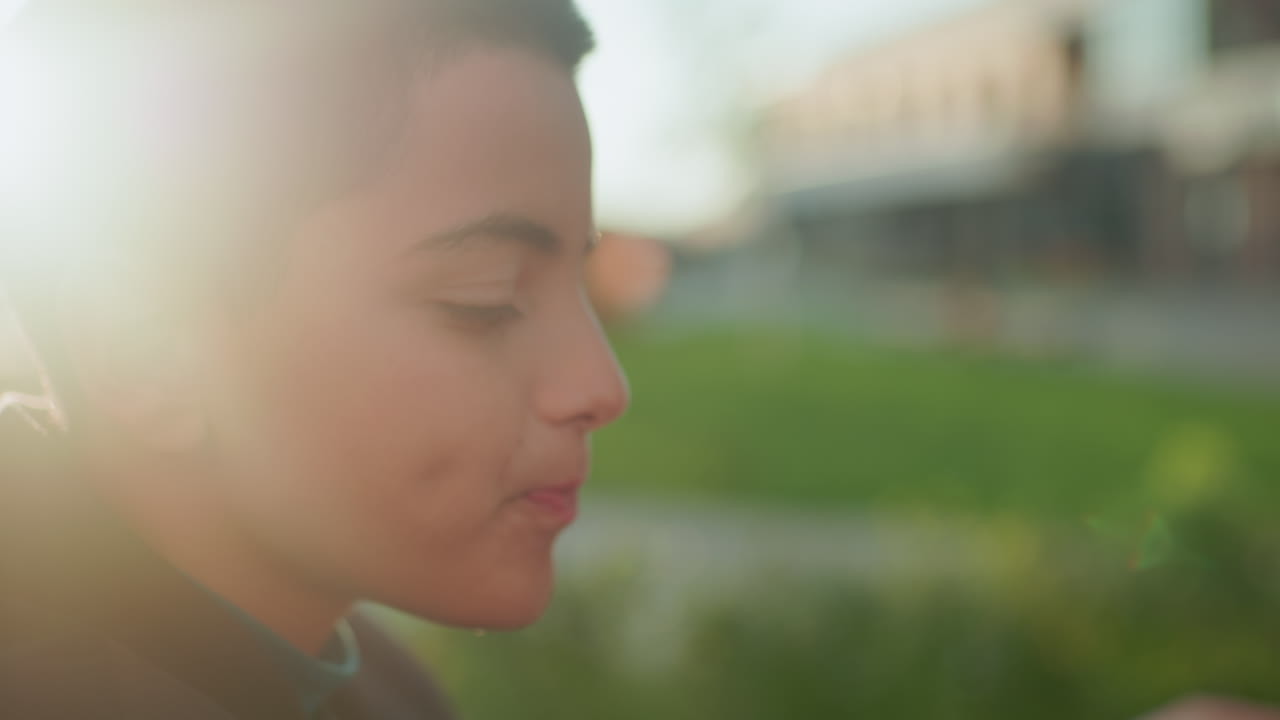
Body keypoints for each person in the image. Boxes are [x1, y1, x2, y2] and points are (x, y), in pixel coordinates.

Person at [0, 1, 628, 718]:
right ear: (140, 345)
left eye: (582, 286)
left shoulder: (378, 683)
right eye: (486, 300)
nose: (601, 387)